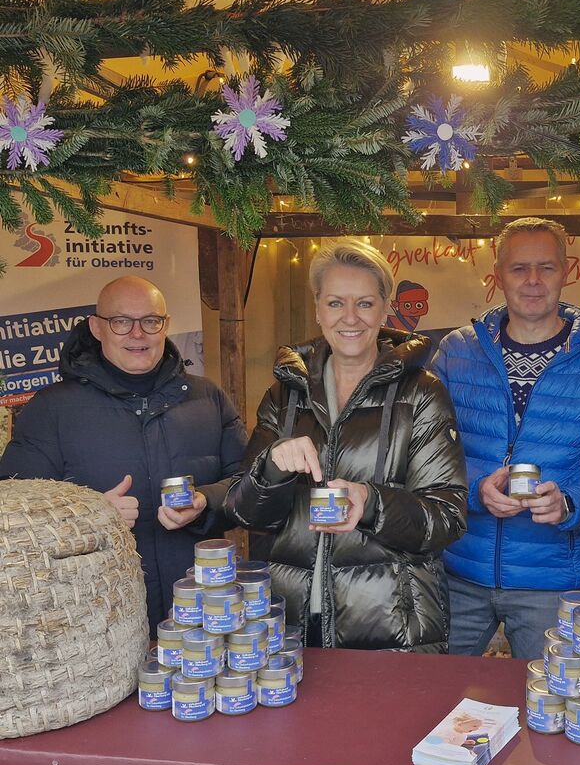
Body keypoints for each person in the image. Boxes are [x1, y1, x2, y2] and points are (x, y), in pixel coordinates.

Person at [224, 239, 467, 651]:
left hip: (391, 623)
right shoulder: (286, 395)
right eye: (336, 303)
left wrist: (370, 504)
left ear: (385, 307)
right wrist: (271, 469)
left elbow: (447, 517)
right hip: (291, 619)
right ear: (318, 308)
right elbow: (245, 512)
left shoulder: (421, 393)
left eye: (365, 304)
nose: (350, 317)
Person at [0, 276, 247, 636]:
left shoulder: (207, 399)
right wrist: (91, 515)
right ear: (97, 328)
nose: (138, 334)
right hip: (97, 624)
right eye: (121, 322)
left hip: (202, 617)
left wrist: (206, 502)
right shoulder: (51, 409)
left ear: (166, 325)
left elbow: (249, 484)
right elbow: (14, 513)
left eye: (150, 321)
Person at [431, 217, 580, 659]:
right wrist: (477, 488)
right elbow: (427, 450)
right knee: (430, 701)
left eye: (546, 268)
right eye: (519, 269)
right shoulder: (456, 353)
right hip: (458, 570)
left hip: (554, 582)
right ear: (497, 275)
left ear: (566, 270)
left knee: (551, 706)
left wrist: (570, 505)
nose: (533, 281)